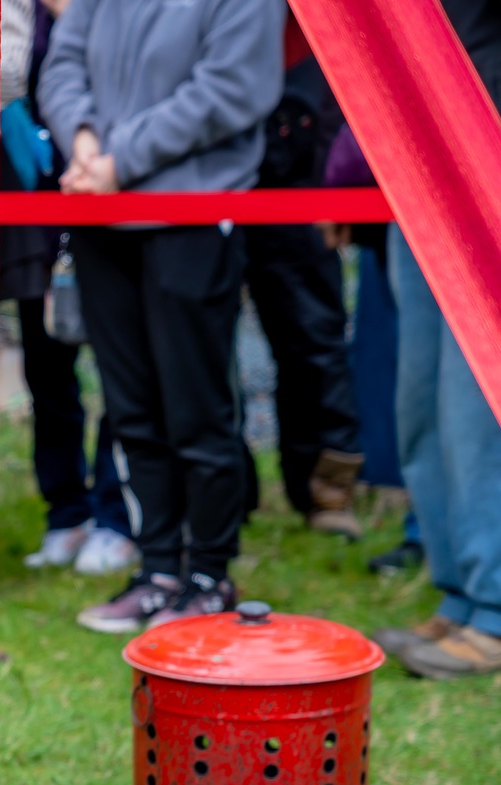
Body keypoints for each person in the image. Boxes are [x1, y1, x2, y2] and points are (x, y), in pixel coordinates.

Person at [39, 0, 283, 635]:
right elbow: (62, 63)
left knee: (195, 407)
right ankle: (157, 571)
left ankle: (208, 575)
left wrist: (119, 161)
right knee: (130, 408)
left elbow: (228, 89)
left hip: (191, 214)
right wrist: (84, 141)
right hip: (100, 212)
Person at [371, 0, 501, 679]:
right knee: (421, 399)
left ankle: (494, 610)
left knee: (474, 404)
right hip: (418, 150)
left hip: (486, 142)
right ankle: (457, 591)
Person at [5, 0, 137, 576]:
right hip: (35, 202)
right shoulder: (22, 16)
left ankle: (117, 514)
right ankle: (66, 510)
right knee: (46, 363)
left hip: (116, 192)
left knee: (120, 366)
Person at [243, 11, 366, 539]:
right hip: (212, 166)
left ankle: (327, 490)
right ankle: (223, 497)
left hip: (305, 172)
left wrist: (336, 182)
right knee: (198, 343)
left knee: (314, 340)